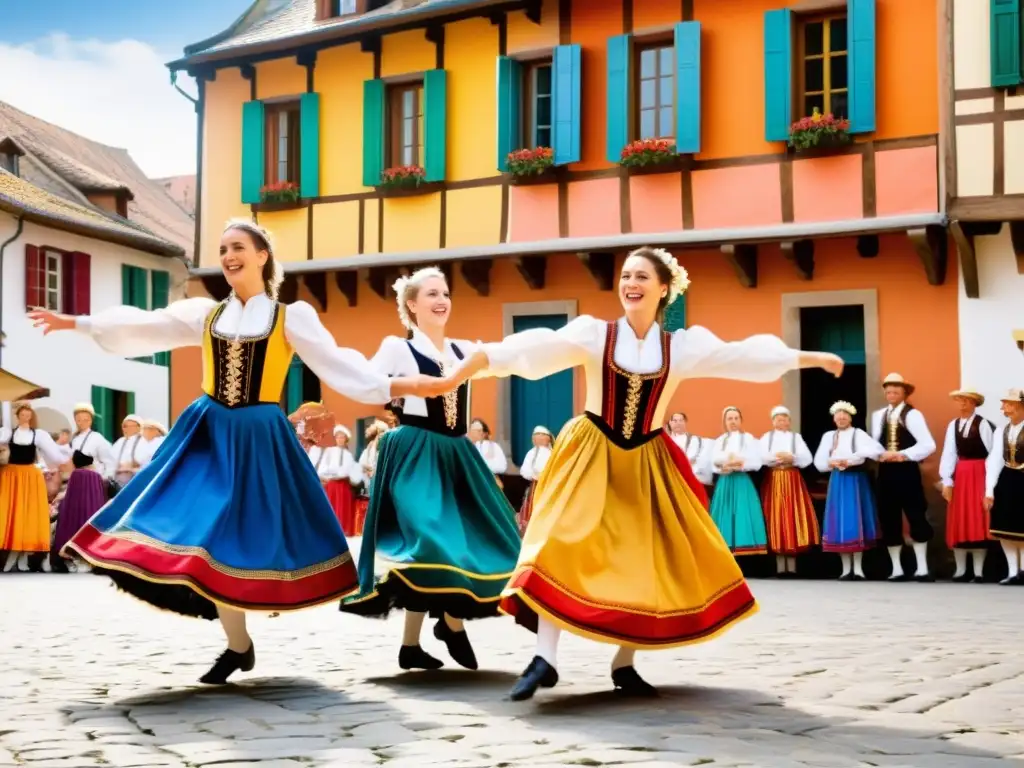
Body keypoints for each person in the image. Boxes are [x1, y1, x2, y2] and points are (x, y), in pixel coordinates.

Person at [27, 218, 445, 684]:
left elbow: (338, 364)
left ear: (263, 256)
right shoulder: (206, 313)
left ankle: (237, 644)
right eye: (223, 248)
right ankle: (238, 644)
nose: (228, 255)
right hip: (207, 430)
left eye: (238, 247)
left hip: (259, 436)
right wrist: (77, 323)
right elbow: (148, 327)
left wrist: (403, 383)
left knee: (237, 536)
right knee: (200, 526)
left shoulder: (291, 316)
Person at [441, 246, 843, 700]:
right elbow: (540, 347)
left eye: (641, 277)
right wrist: (483, 358)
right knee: (553, 542)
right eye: (626, 276)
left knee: (640, 558)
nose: (630, 283)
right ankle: (545, 658)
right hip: (590, 449)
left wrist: (807, 358)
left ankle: (624, 662)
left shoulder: (681, 347)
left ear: (664, 289)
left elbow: (740, 356)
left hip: (647, 459)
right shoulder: (596, 334)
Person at [340, 267, 522, 673]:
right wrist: (402, 389)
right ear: (411, 305)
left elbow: (510, 359)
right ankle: (451, 627)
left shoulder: (463, 350)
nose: (442, 300)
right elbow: (366, 382)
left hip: (458, 454)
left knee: (478, 536)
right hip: (416, 450)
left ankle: (417, 643)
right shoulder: (397, 348)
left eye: (445, 293)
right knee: (430, 535)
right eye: (432, 294)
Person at [869, 373, 937, 582]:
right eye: (888, 391)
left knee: (916, 514)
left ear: (904, 393)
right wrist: (878, 453)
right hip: (886, 472)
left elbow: (928, 444)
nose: (891, 394)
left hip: (907, 471)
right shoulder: (878, 415)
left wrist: (903, 454)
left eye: (896, 391)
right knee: (888, 518)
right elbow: (874, 443)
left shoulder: (912, 415)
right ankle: (896, 569)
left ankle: (922, 569)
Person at [813, 401, 884, 580]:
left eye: (845, 415)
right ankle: (845, 569)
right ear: (834, 418)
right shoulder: (829, 436)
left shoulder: (858, 434)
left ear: (850, 417)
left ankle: (858, 568)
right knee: (839, 522)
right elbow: (819, 461)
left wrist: (851, 459)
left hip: (855, 480)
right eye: (838, 415)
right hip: (837, 480)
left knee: (855, 519)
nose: (841, 418)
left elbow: (876, 450)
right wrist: (831, 462)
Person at [0, 402, 67, 572]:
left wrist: (53, 467)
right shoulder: (8, 432)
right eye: (23, 415)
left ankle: (21, 556)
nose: (25, 418)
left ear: (31, 417)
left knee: (27, 514)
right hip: (12, 476)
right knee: (13, 513)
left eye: (28, 415)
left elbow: (55, 455)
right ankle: (14, 554)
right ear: (18, 416)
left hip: (30, 476)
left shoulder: (38, 435)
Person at [939, 389, 995, 582]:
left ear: (974, 403)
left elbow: (992, 452)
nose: (962, 404)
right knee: (959, 518)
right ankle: (960, 570)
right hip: (961, 475)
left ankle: (979, 572)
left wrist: (990, 483)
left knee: (977, 518)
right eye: (959, 400)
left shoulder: (983, 424)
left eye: (966, 401)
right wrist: (947, 480)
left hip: (979, 473)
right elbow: (949, 453)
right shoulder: (953, 425)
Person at [51, 403, 114, 572]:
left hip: (91, 481)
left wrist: (101, 478)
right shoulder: (75, 439)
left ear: (91, 420)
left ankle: (87, 558)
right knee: (71, 516)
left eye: (85, 419)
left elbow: (109, 462)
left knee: (87, 517)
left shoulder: (98, 439)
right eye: (78, 419)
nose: (82, 422)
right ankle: (71, 556)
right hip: (76, 479)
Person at [759, 405, 818, 577]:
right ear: (773, 421)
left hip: (792, 480)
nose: (781, 421)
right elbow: (760, 456)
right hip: (775, 479)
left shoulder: (795, 437)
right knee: (776, 517)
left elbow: (807, 458)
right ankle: (779, 566)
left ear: (789, 421)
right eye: (778, 419)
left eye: (784, 419)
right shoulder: (767, 437)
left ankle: (791, 567)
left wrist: (792, 457)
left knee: (792, 516)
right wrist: (777, 458)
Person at [710, 407, 767, 557]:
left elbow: (757, 462)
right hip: (725, 482)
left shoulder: (748, 438)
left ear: (741, 420)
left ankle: (743, 553)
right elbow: (713, 462)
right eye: (730, 418)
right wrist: (723, 466)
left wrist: (741, 464)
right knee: (725, 514)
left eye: (736, 418)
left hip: (741, 481)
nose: (733, 421)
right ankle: (726, 552)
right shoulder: (720, 440)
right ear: (724, 421)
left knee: (742, 513)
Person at [984, 388, 1024, 585]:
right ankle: (1012, 571)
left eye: (1008, 404)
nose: (1004, 408)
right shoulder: (1002, 430)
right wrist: (989, 490)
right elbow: (994, 460)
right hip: (1008, 479)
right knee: (1005, 528)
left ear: (1019, 406)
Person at [319, 425, 362, 536]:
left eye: (342, 437)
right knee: (331, 508)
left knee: (343, 510)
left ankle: (342, 533)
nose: (340, 439)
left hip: (343, 486)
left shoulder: (349, 455)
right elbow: (323, 468)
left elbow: (351, 472)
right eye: (338, 437)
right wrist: (332, 474)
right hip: (332, 485)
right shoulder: (329, 451)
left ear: (346, 439)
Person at [517, 425, 553, 533]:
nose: (539, 438)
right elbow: (524, 470)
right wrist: (533, 476)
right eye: (537, 435)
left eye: (542, 435)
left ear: (548, 438)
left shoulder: (552, 453)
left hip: (548, 486)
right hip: (533, 486)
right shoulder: (531, 453)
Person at [667, 411, 713, 487]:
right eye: (675, 421)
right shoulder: (666, 441)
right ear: (670, 423)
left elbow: (691, 459)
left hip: (688, 477)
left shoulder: (693, 440)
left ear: (685, 423)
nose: (678, 423)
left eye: (681, 421)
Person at [470, 418, 508, 488]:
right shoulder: (468, 447)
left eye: (479, 431)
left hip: (491, 481)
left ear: (485, 433)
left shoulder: (494, 446)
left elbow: (502, 467)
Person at [110, 415, 144, 492]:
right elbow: (110, 460)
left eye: (130, 426)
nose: (126, 429)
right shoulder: (120, 442)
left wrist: (131, 467)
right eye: (124, 426)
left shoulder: (144, 441)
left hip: (136, 481)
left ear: (139, 427)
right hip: (118, 482)